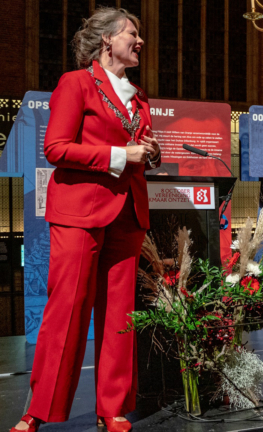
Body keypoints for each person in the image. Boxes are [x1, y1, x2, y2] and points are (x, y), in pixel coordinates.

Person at [12, 7, 160, 432]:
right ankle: (37, 411)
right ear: (106, 41)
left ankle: (111, 408)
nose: (139, 40)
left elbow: (141, 152)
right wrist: (121, 155)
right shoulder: (75, 84)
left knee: (120, 316)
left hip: (127, 214)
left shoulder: (141, 96)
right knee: (67, 309)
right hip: (80, 213)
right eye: (131, 32)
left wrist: (151, 153)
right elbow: (56, 149)